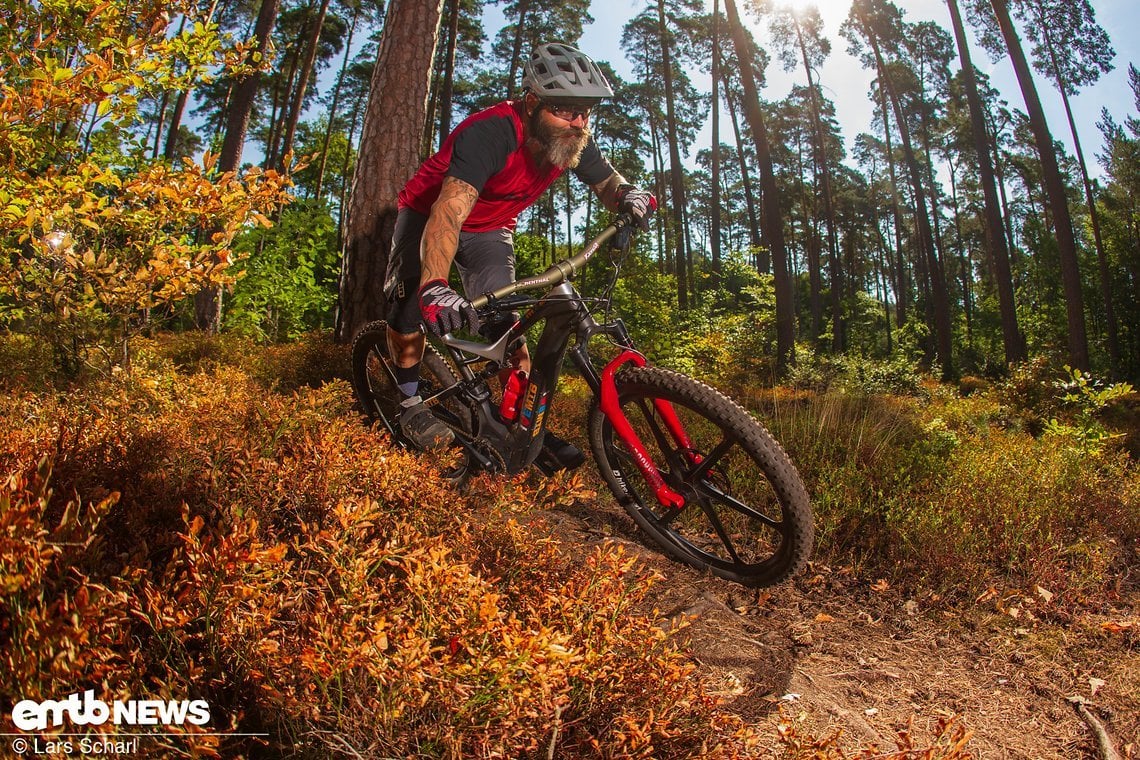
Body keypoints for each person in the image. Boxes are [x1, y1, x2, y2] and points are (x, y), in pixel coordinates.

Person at [382, 42, 657, 459]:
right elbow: (450, 210)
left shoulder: (573, 137)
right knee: (408, 305)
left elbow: (606, 181)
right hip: (430, 212)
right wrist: (435, 285)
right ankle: (407, 403)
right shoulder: (491, 132)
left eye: (586, 111)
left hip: (490, 226)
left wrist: (628, 195)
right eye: (565, 109)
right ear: (532, 101)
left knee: (509, 330)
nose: (578, 122)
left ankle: (521, 428)